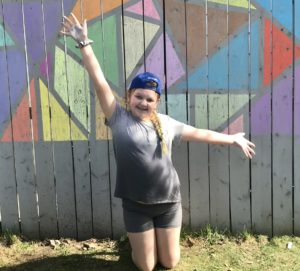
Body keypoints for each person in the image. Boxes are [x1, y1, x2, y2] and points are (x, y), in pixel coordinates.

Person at [61, 13, 255, 271]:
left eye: (149, 99)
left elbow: (200, 133)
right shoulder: (118, 117)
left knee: (170, 263)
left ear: (157, 102)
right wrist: (85, 46)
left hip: (168, 204)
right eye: (139, 96)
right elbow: (99, 83)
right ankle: (138, 245)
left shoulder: (166, 123)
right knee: (146, 266)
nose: (143, 102)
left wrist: (232, 139)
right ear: (129, 96)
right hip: (136, 206)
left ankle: (151, 240)